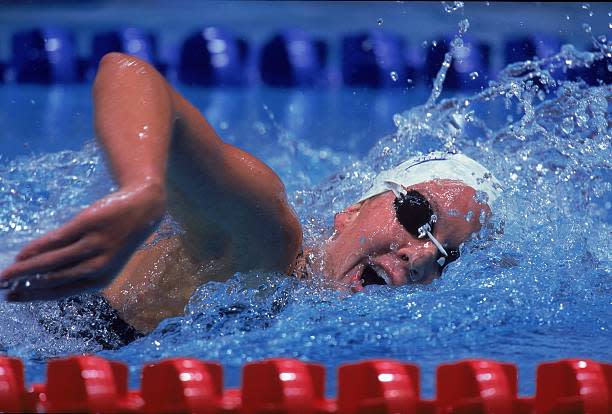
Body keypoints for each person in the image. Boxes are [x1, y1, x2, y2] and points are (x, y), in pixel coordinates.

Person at [0, 53, 501, 345]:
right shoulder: (266, 239)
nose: (419, 255)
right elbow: (127, 72)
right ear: (351, 210)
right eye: (417, 215)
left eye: (445, 257)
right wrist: (142, 187)